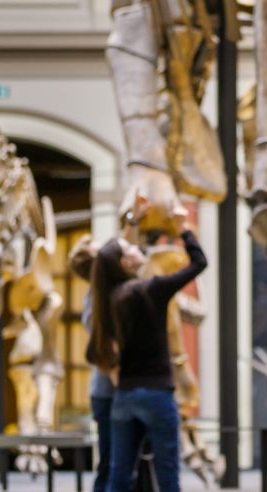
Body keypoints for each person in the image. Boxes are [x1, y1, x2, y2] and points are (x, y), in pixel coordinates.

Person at [88, 205, 207, 492]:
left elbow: (95, 352)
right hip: (156, 394)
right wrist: (182, 229)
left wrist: (133, 221)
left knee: (119, 477)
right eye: (130, 248)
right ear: (126, 263)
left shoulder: (109, 301)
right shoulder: (150, 290)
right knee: (168, 477)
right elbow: (199, 262)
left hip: (125, 398)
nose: (137, 249)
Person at [68, 237, 116, 492]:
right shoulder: (94, 300)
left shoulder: (108, 293)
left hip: (118, 390)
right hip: (108, 392)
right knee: (110, 461)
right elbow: (100, 346)